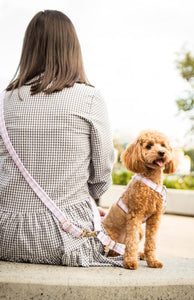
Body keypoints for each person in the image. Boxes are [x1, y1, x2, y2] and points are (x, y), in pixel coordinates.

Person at [0, 10, 123, 267]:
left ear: (29, 48)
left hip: (5, 234)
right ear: (72, 48)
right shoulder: (89, 98)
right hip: (63, 238)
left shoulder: (4, 101)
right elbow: (100, 181)